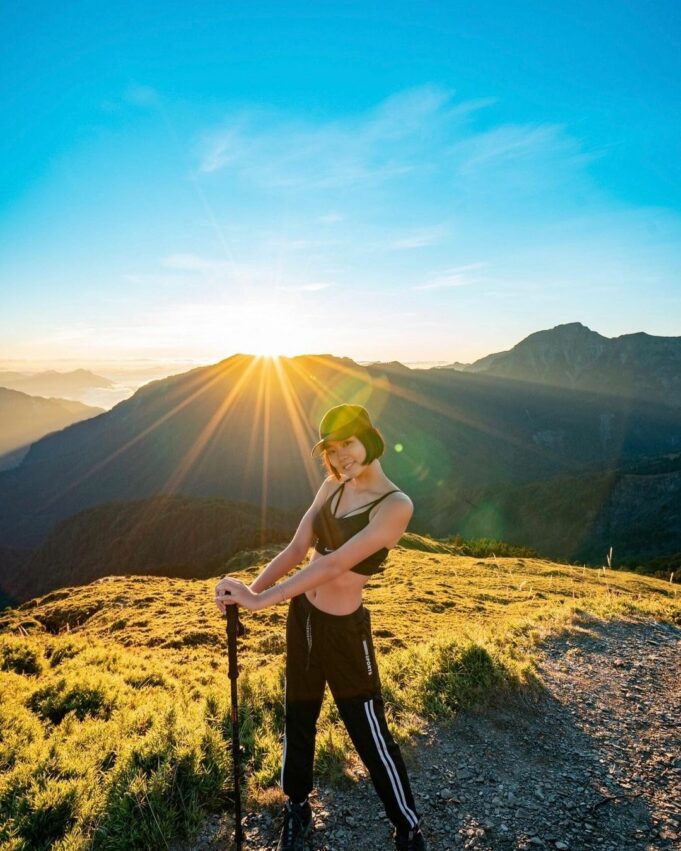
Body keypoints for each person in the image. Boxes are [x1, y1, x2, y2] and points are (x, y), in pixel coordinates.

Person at [215, 404, 427, 851]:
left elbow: (333, 564)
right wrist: (246, 593)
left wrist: (259, 601)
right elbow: (297, 550)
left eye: (348, 444)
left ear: (369, 439)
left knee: (368, 729)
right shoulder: (331, 488)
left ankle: (407, 827)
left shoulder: (395, 506)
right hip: (304, 622)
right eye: (331, 449)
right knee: (299, 715)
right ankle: (297, 806)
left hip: (345, 633)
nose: (340, 457)